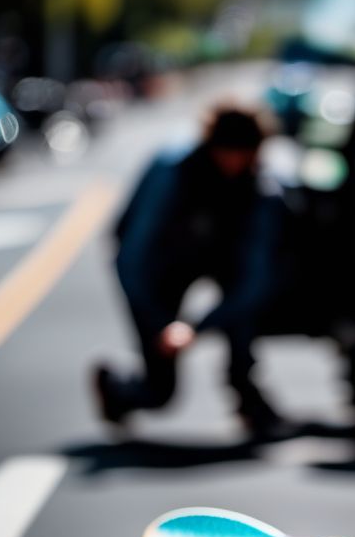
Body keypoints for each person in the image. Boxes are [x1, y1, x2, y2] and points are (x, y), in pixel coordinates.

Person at [93, 105, 290, 438]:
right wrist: (161, 324)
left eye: (244, 154)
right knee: (161, 393)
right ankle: (117, 389)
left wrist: (197, 326)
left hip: (217, 258)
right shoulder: (173, 171)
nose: (236, 163)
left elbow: (256, 277)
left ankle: (247, 396)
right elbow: (132, 259)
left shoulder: (261, 186)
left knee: (241, 311)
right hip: (160, 267)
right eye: (229, 153)